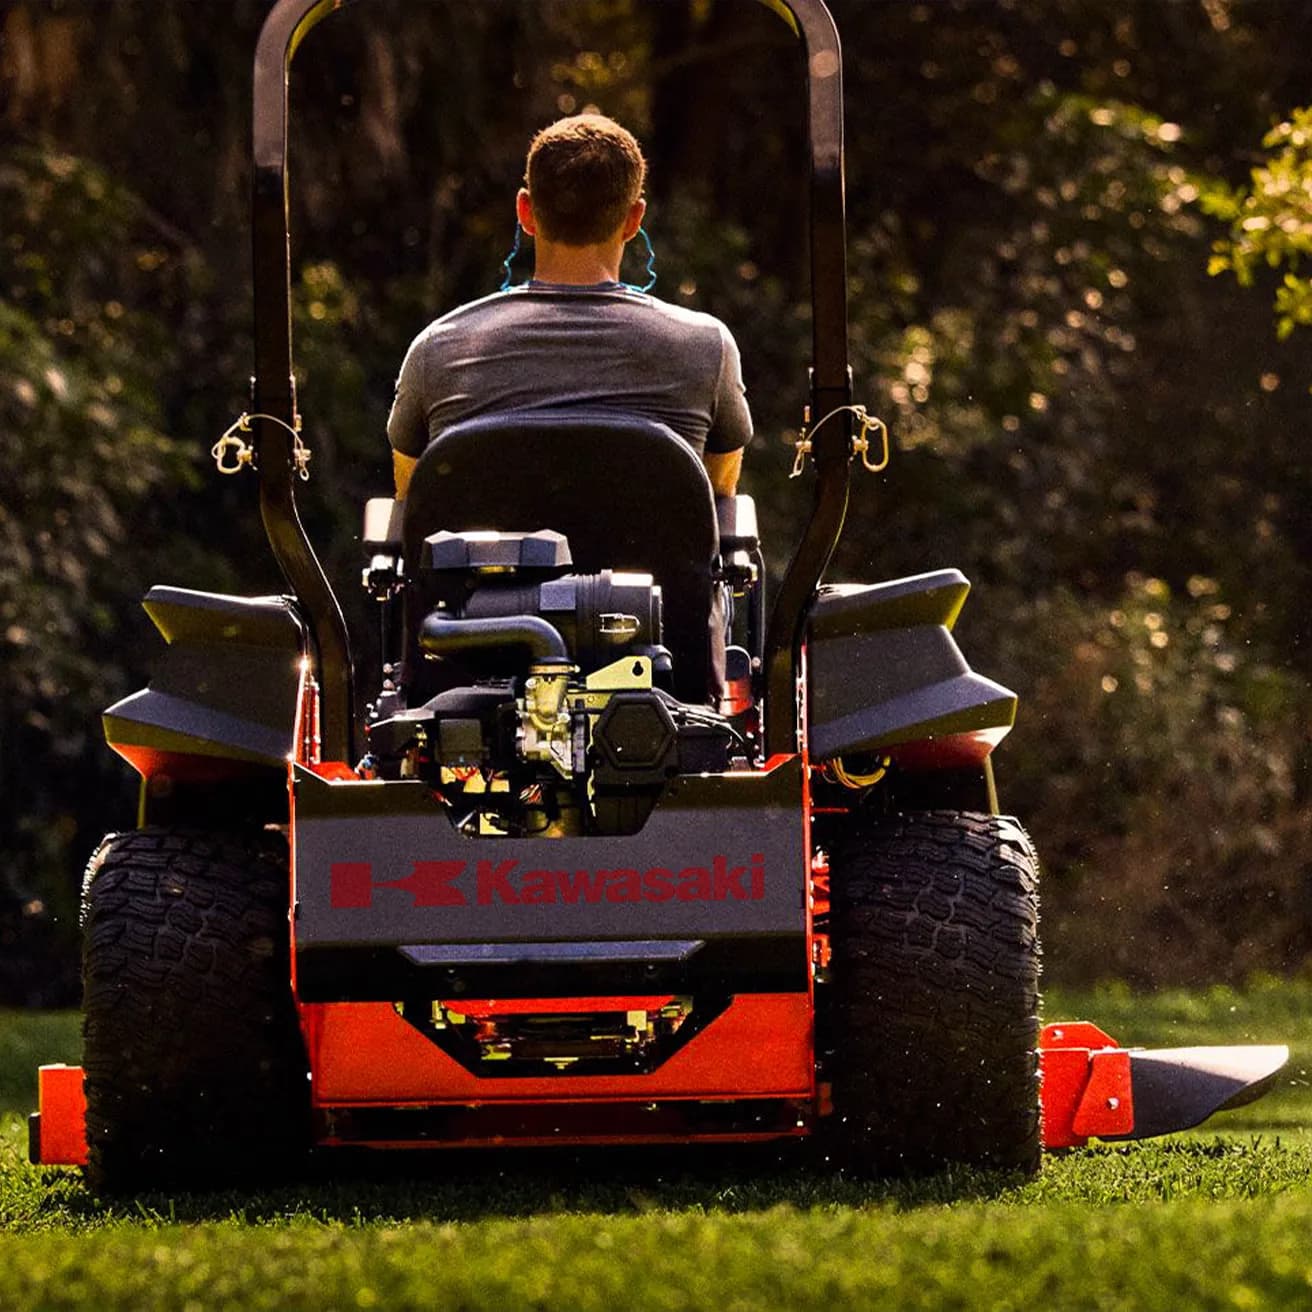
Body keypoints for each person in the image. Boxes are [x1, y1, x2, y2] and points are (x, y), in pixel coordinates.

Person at [387, 114, 753, 501]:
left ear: (525, 212)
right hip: (654, 564)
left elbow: (413, 501)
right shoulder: (708, 348)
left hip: (484, 565)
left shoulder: (438, 349)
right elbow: (717, 496)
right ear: (633, 219)